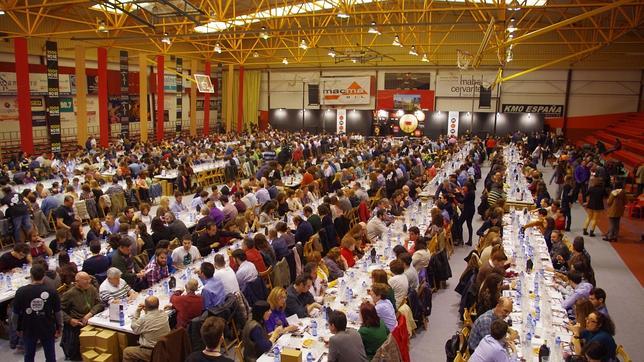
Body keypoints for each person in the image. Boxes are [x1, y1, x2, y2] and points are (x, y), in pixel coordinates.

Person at [12, 264, 62, 362]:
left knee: (29, 355)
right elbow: (58, 312)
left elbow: (15, 314)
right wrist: (60, 327)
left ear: (31, 276)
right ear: (44, 276)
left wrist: (16, 328)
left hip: (28, 327)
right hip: (47, 326)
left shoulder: (21, 291)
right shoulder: (51, 291)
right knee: (50, 355)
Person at [60, 272, 104, 360]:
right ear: (77, 281)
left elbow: (99, 303)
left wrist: (90, 313)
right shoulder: (70, 294)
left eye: (89, 279)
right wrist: (70, 320)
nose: (88, 282)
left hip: (92, 319)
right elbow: (59, 310)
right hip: (78, 324)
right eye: (85, 280)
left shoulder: (92, 288)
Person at [123, 296, 171, 362]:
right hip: (165, 347)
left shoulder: (144, 319)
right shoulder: (164, 314)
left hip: (152, 351)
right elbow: (151, 320)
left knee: (127, 352)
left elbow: (134, 329)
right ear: (158, 305)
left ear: (146, 306)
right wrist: (147, 311)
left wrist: (137, 312)